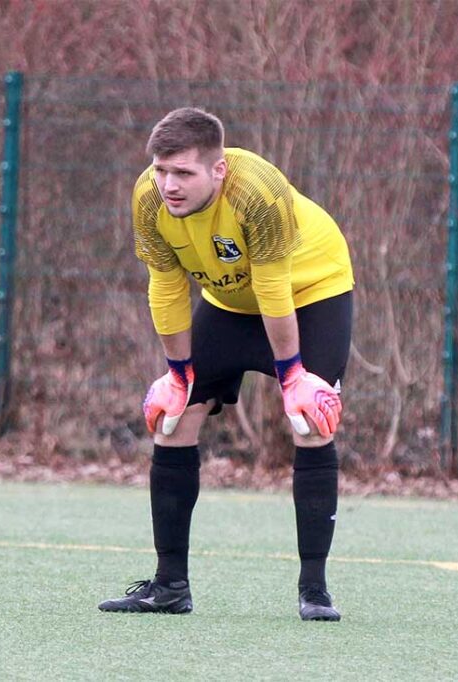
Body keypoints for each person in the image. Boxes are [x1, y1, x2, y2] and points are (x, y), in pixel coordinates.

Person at [97, 107, 354, 621]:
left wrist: (294, 377)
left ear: (218, 170)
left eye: (183, 173)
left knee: (310, 419)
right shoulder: (149, 198)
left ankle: (314, 590)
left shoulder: (258, 194)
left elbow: (274, 289)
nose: (168, 184)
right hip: (228, 303)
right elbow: (166, 287)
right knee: (172, 421)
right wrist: (177, 375)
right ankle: (169, 586)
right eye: (161, 170)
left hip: (310, 291)